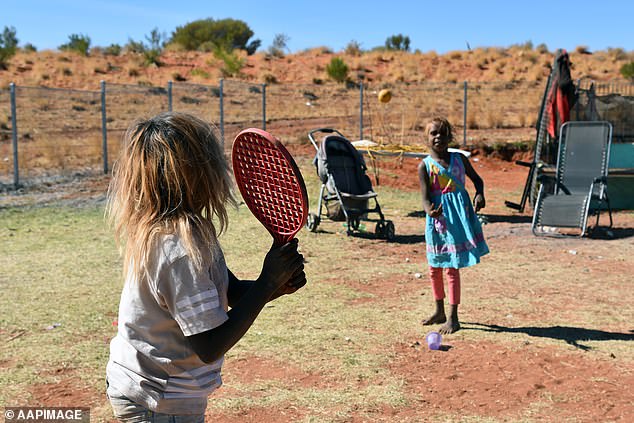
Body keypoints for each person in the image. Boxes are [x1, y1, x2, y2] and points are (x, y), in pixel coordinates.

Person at [104, 112, 306, 422]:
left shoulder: (189, 231)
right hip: (158, 401)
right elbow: (209, 345)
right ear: (195, 174)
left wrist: (276, 285)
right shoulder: (177, 250)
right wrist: (266, 283)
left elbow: (230, 292)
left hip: (160, 389)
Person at [417, 117, 489, 334]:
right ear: (427, 138)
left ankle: (453, 317)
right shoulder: (425, 166)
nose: (438, 137)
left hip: (458, 220)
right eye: (433, 133)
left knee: (452, 267)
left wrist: (479, 195)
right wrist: (431, 210)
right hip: (437, 222)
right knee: (434, 267)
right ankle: (438, 310)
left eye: (442, 133)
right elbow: (425, 198)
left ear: (450, 137)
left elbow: (478, 181)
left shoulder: (459, 160)